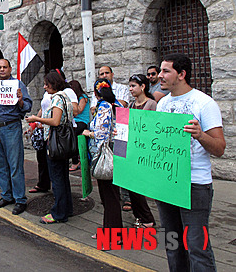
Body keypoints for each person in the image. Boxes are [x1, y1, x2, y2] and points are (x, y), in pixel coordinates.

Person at [156, 53, 225, 271]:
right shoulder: (162, 104)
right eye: (160, 70)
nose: (160, 75)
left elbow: (220, 148)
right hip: (167, 184)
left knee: (197, 246)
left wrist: (200, 135)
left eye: (166, 71)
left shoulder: (205, 103)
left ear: (182, 74)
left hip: (194, 185)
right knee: (172, 243)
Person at [0, 59, 32, 215]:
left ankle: (20, 199)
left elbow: (28, 107)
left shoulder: (17, 85)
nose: (2, 70)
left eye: (4, 67)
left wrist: (20, 99)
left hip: (11, 127)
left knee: (15, 165)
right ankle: (7, 195)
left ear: (10, 69)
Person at [26, 71, 74, 223]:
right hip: (63, 143)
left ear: (54, 84)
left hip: (56, 143)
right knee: (63, 177)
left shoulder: (58, 98)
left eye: (47, 84)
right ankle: (67, 208)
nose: (45, 87)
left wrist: (37, 119)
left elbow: (55, 121)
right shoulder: (65, 96)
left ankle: (58, 213)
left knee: (58, 178)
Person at [83, 79, 123, 240]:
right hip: (118, 151)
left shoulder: (104, 106)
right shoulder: (117, 104)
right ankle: (110, 229)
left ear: (95, 93)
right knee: (111, 194)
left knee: (109, 195)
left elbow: (100, 133)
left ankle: (114, 233)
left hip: (105, 154)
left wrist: (88, 133)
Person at [126, 74, 156, 228]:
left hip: (144, 151)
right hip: (133, 150)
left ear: (142, 86)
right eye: (130, 86)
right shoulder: (131, 105)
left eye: (133, 86)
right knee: (132, 186)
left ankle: (147, 218)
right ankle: (140, 216)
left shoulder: (151, 104)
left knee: (138, 187)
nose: (130, 89)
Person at [68, 80, 90, 171]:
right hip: (74, 121)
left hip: (82, 121)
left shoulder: (82, 98)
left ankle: (75, 161)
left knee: (73, 134)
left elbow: (79, 110)